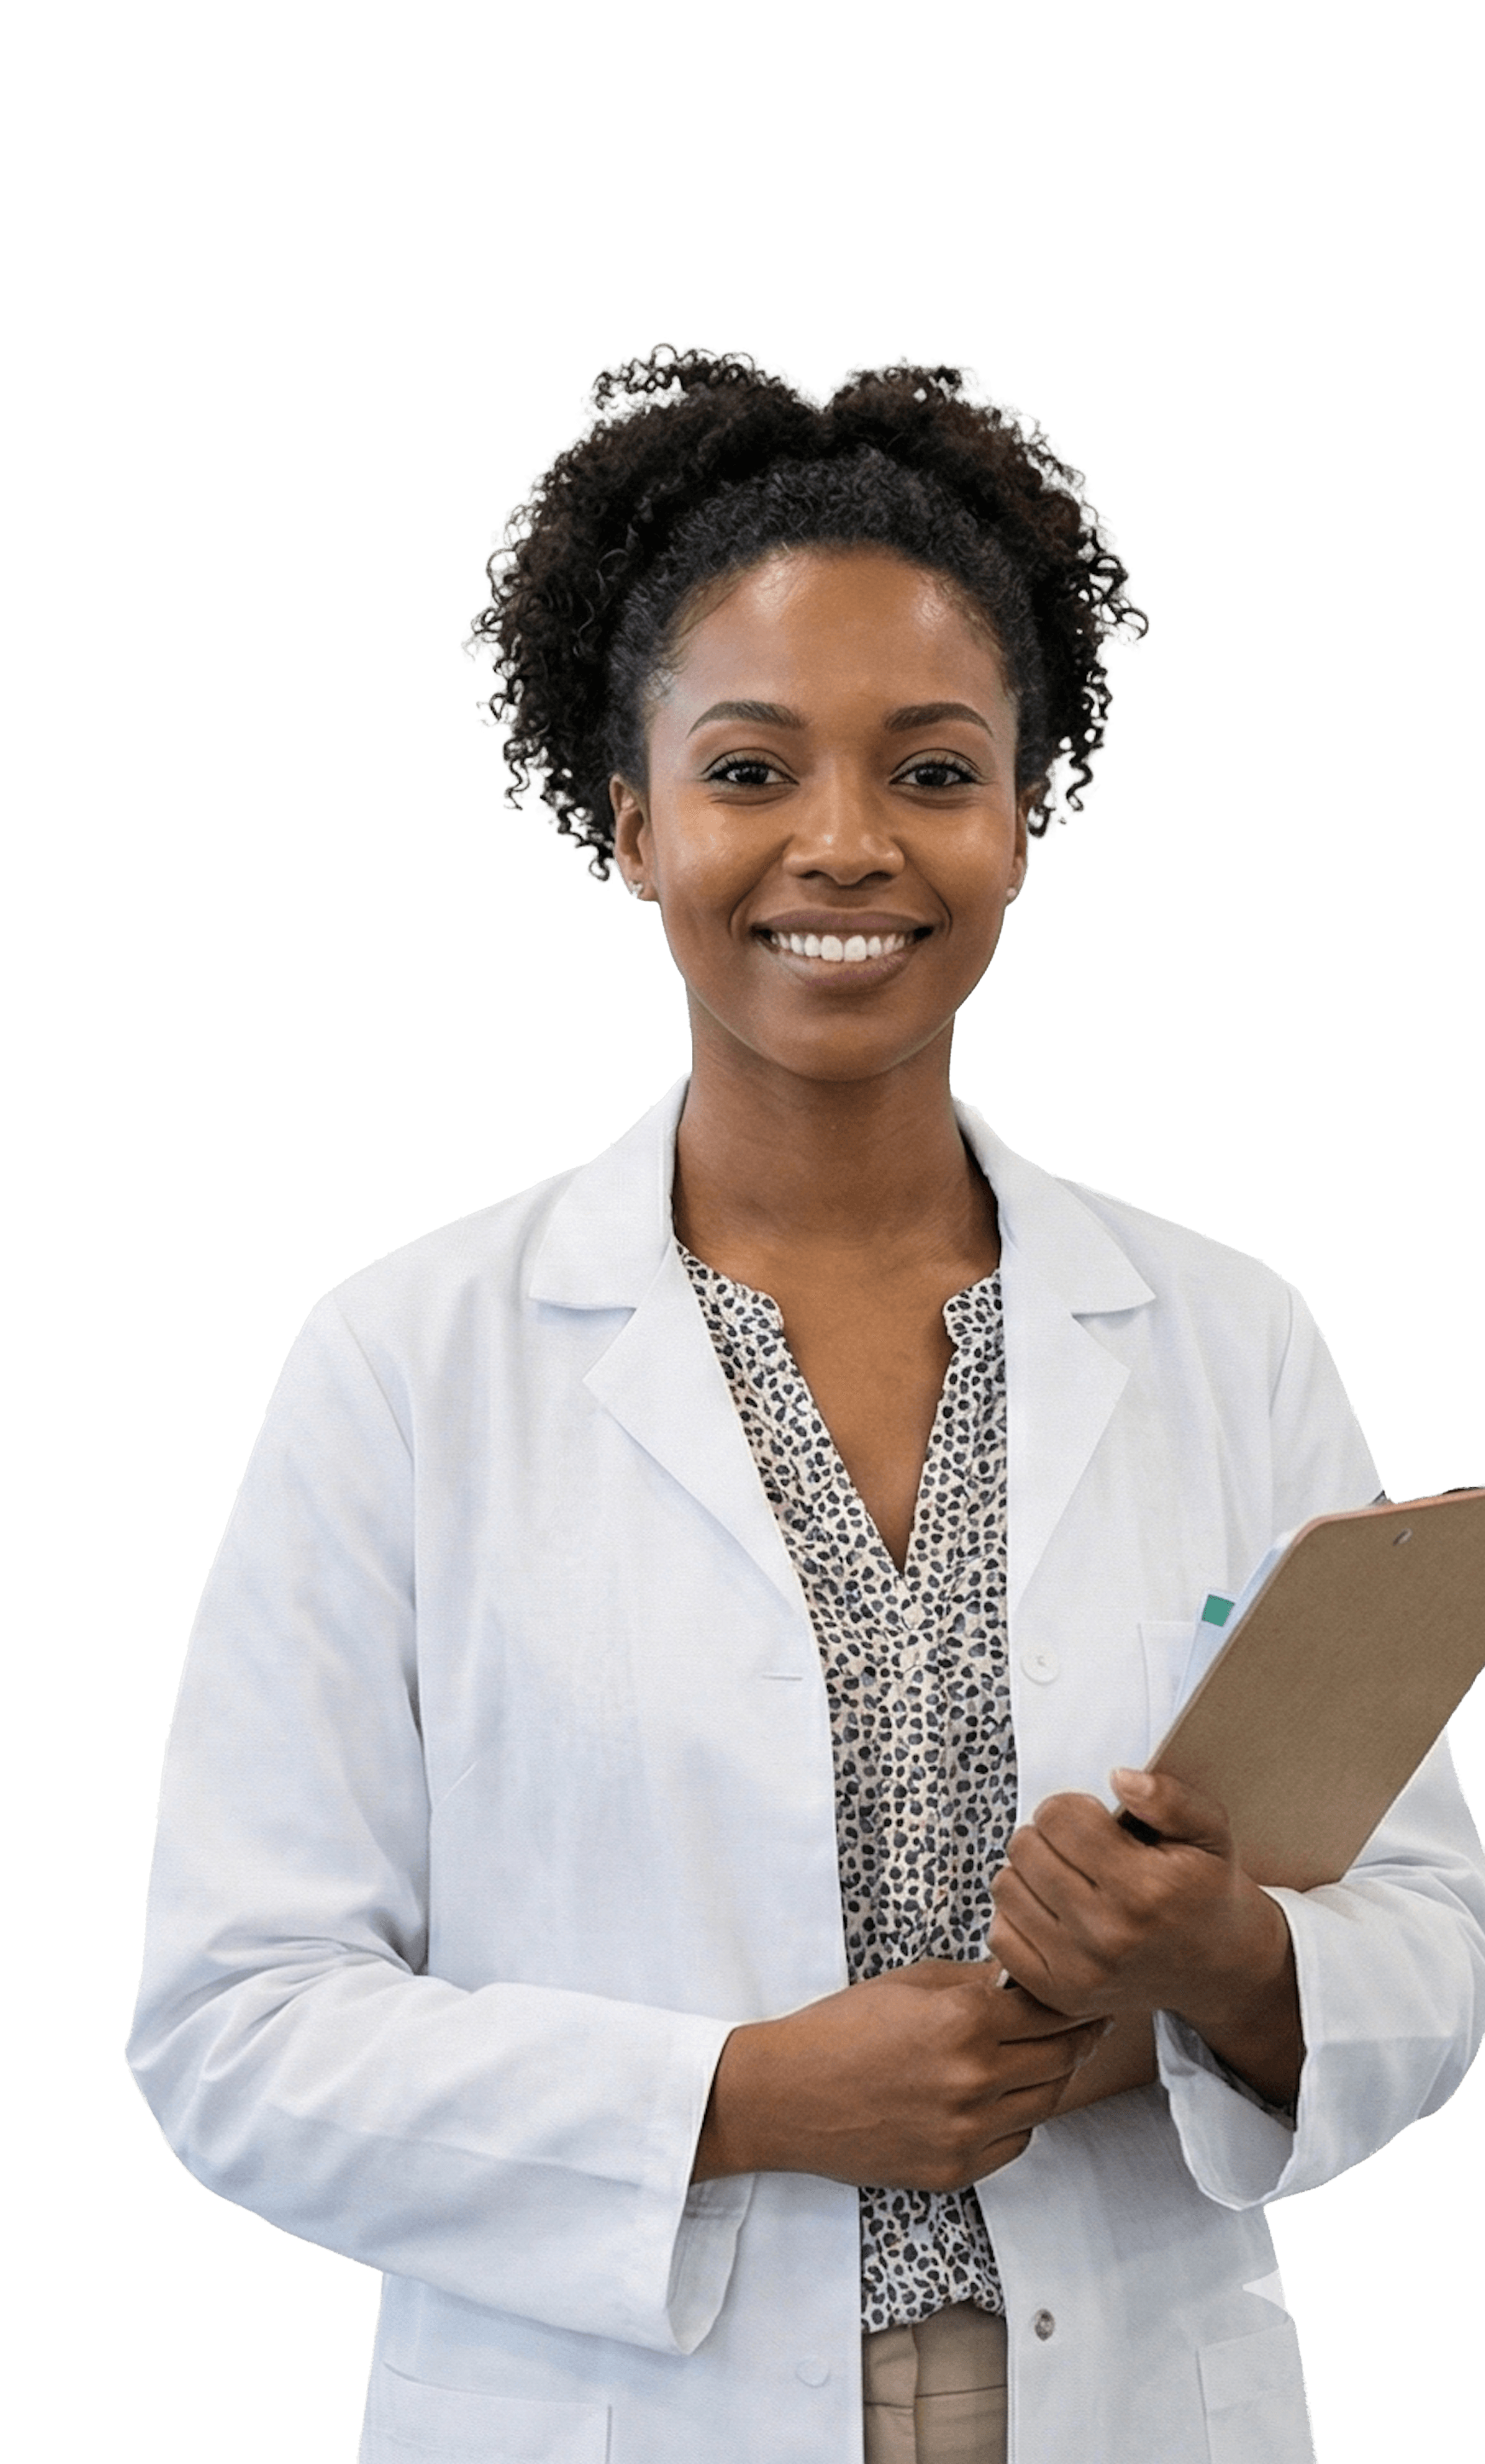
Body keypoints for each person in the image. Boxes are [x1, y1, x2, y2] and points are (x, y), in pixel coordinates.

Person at [126, 346, 1485, 2464]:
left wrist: (1232, 1967)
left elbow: (1423, 1932)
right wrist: (747, 2097)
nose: (845, 846)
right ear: (630, 806)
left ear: (1027, 807)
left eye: (933, 770)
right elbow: (235, 2029)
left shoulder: (1230, 1335)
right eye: (753, 769)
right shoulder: (406, 1361)